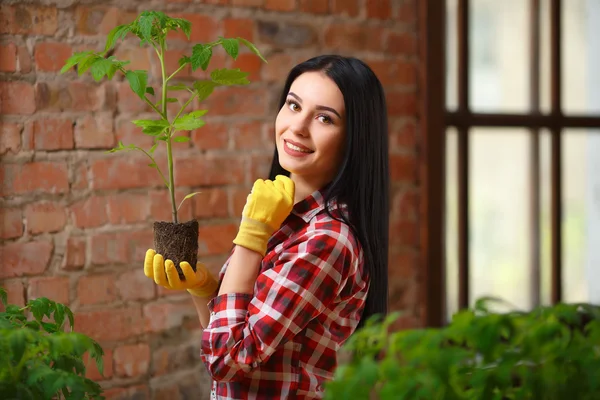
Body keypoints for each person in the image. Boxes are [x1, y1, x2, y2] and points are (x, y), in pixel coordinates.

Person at [143, 54, 390, 399]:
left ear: (354, 138)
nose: (298, 127)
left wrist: (251, 236)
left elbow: (225, 358)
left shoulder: (328, 238)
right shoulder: (283, 216)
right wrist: (204, 290)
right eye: (293, 105)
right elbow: (232, 334)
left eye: (324, 118)